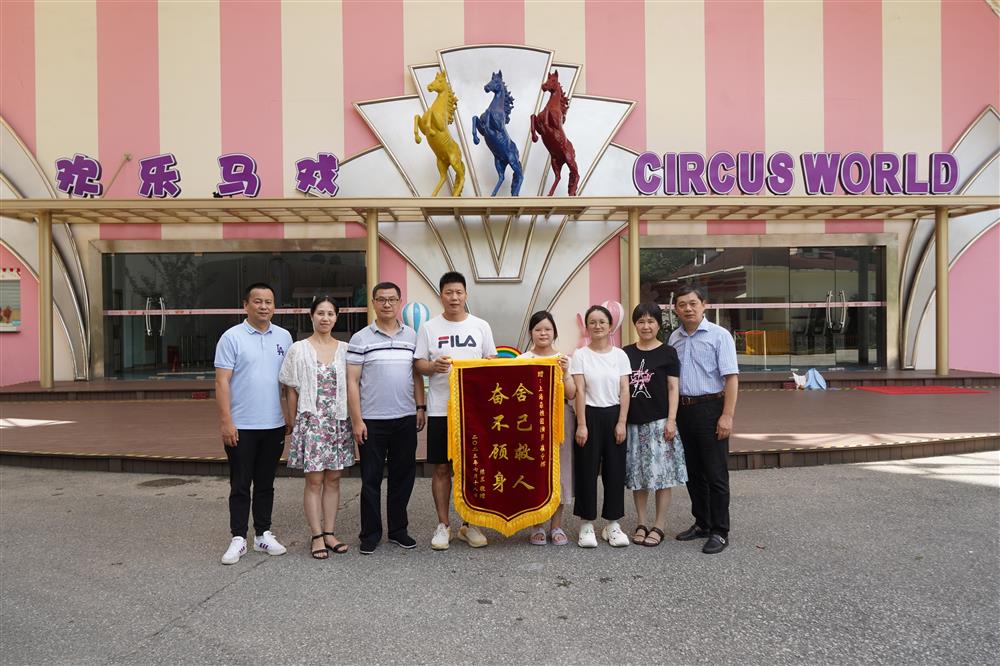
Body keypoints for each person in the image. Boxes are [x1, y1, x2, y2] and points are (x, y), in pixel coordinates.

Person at [414, 271, 497, 550]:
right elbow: (419, 365)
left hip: (473, 412)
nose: (454, 297)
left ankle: (469, 524)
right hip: (440, 408)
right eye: (449, 292)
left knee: (471, 469)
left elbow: (492, 362)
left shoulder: (480, 326)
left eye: (459, 292)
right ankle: (443, 525)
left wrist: (485, 365)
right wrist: (433, 367)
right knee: (441, 467)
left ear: (466, 295)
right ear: (441, 295)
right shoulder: (428, 327)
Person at [215, 282, 293, 565]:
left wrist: (288, 414)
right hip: (242, 425)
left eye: (269, 302)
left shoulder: (284, 337)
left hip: (273, 425)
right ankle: (238, 537)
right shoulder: (231, 337)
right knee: (240, 483)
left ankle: (263, 534)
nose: (264, 307)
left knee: (265, 482)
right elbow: (222, 381)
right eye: (258, 301)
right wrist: (226, 421)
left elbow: (287, 383)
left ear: (274, 306)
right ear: (245, 305)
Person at [347, 281, 426, 555]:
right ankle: (370, 534)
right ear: (373, 303)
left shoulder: (412, 336)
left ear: (399, 302)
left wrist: (420, 407)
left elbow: (416, 374)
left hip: (405, 417)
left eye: (392, 299)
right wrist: (357, 420)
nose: (387, 304)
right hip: (372, 421)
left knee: (402, 477)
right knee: (370, 479)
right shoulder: (361, 338)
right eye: (381, 299)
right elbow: (352, 382)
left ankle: (398, 530)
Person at [279, 297, 354, 559]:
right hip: (312, 422)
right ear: (311, 316)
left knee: (334, 479)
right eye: (320, 313)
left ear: (336, 317)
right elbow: (290, 387)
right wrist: (292, 421)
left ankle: (330, 532)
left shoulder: (346, 349)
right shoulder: (298, 349)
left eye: (330, 313)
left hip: (338, 422)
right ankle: (316, 535)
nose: (325, 318)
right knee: (314, 480)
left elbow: (354, 386)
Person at [668, 285, 739, 555]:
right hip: (684, 411)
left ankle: (720, 531)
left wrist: (727, 416)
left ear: (704, 305)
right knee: (693, 473)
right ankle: (703, 522)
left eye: (693, 303)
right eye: (682, 304)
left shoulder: (719, 336)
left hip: (711, 409)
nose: (688, 308)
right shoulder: (674, 338)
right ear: (675, 309)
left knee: (716, 473)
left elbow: (731, 378)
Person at [623, 303, 687, 547]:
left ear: (659, 324)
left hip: (660, 423)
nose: (646, 326)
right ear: (635, 325)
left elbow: (673, 387)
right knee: (638, 476)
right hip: (634, 424)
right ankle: (641, 522)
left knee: (663, 476)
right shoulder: (626, 353)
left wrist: (672, 420)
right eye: (641, 321)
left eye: (651, 321)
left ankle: (659, 525)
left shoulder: (668, 353)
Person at [570, 305, 631, 548]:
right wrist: (582, 424)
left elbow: (625, 389)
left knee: (615, 471)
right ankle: (586, 524)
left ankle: (612, 524)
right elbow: (580, 390)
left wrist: (622, 422)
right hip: (589, 415)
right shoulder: (580, 355)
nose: (597, 326)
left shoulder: (620, 356)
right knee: (586, 469)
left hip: (615, 414)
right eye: (592, 322)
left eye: (602, 322)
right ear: (587, 326)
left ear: (610, 325)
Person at [518, 311, 576, 546]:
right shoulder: (522, 360)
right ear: (531, 333)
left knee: (560, 471)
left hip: (560, 419)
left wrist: (564, 372)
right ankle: (537, 525)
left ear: (554, 333)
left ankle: (557, 526)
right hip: (530, 422)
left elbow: (572, 393)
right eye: (538, 329)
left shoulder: (563, 359)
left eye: (547, 329)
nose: (543, 333)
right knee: (535, 471)